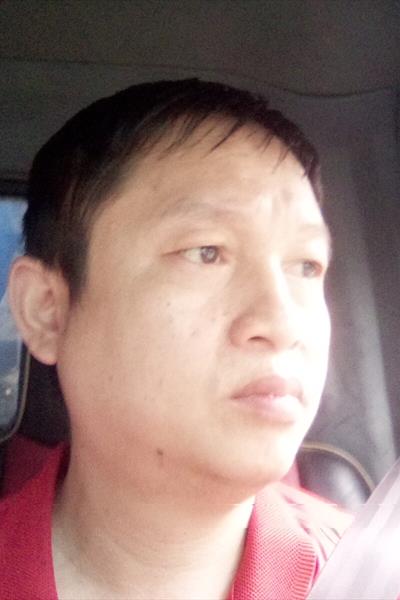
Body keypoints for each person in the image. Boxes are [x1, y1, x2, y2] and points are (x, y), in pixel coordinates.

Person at [1, 79, 350, 599]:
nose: (283, 323)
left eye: (306, 265)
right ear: (47, 312)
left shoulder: (369, 574)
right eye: (206, 252)